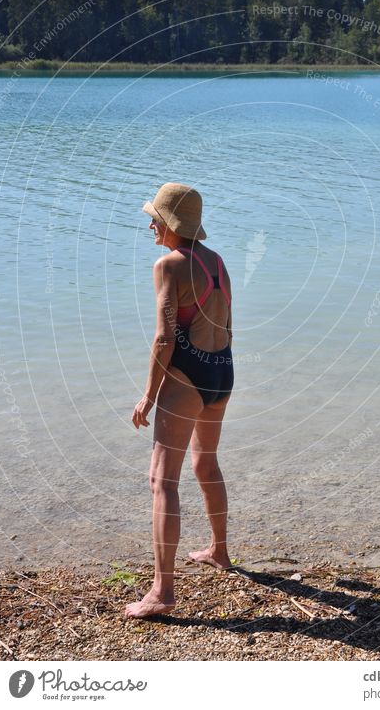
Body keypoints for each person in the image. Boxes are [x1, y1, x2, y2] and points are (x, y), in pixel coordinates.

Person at [125, 183, 234, 619]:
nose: (150, 224)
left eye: (156, 218)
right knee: (205, 463)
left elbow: (165, 335)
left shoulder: (169, 264)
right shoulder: (217, 262)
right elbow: (227, 322)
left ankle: (162, 592)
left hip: (186, 377)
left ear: (170, 224)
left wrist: (149, 394)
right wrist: (216, 373)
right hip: (222, 370)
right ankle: (219, 551)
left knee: (161, 481)